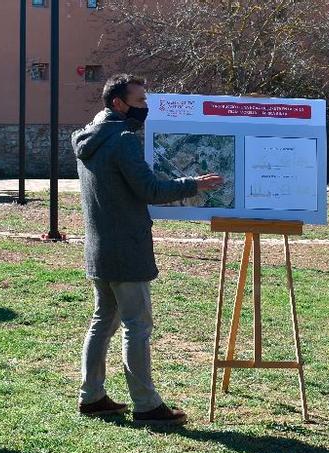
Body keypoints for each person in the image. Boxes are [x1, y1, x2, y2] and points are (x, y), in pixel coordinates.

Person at [72, 74, 223, 425]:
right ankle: (146, 404)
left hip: (100, 249)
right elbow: (150, 189)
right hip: (127, 249)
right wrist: (193, 184)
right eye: (140, 102)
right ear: (118, 104)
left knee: (102, 322)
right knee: (136, 326)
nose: (146, 109)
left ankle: (91, 396)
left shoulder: (89, 137)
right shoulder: (123, 140)